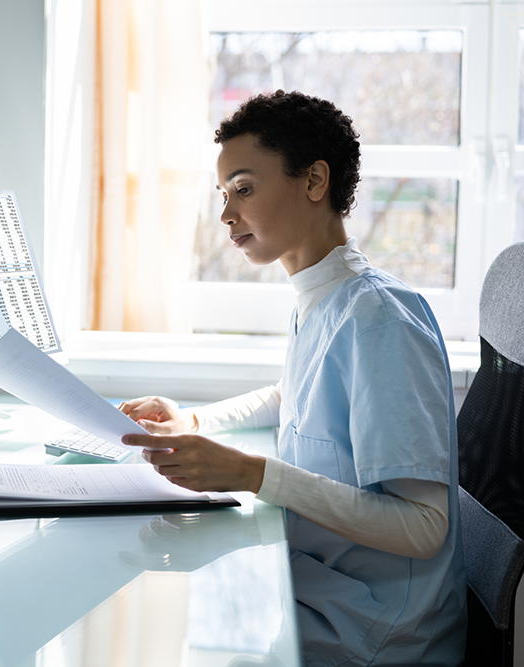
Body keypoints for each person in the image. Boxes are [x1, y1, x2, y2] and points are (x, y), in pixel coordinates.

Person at [120, 90, 466, 666]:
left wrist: (254, 474)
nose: (227, 214)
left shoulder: (378, 317)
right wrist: (197, 419)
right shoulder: (321, 297)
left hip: (379, 634)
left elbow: (425, 526)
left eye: (245, 189)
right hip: (330, 593)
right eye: (224, 194)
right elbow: (296, 398)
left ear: (313, 181)